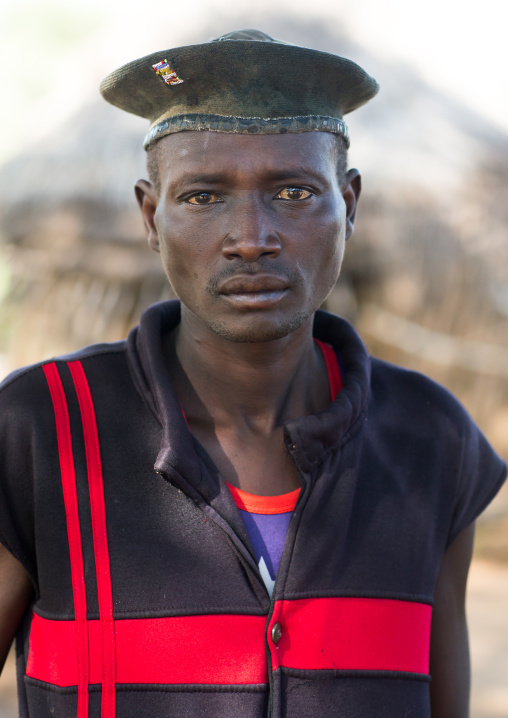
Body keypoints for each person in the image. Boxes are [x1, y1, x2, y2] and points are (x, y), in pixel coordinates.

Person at [0, 29, 505, 718]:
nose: (251, 237)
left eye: (294, 192)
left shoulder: (429, 436)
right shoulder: (42, 429)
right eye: (203, 197)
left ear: (349, 205)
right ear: (151, 217)